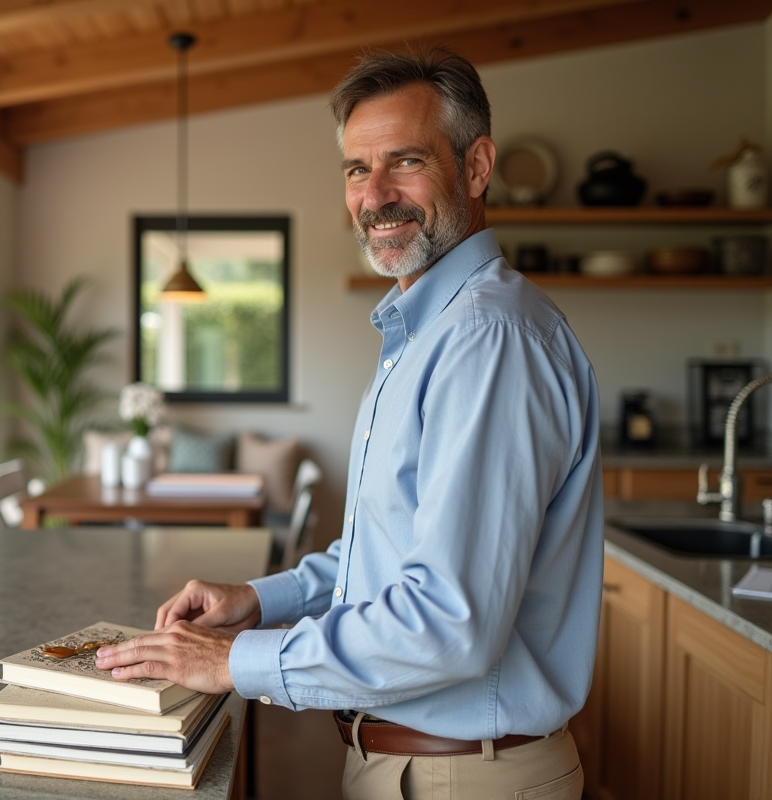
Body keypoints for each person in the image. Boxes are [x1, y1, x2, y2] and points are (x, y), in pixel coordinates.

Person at [96, 47, 603, 799]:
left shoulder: (486, 341)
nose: (376, 195)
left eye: (405, 162)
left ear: (476, 165)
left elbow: (446, 619)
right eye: (356, 170)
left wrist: (231, 662)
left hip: (463, 776)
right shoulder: (428, 333)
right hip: (422, 764)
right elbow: (396, 553)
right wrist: (259, 599)